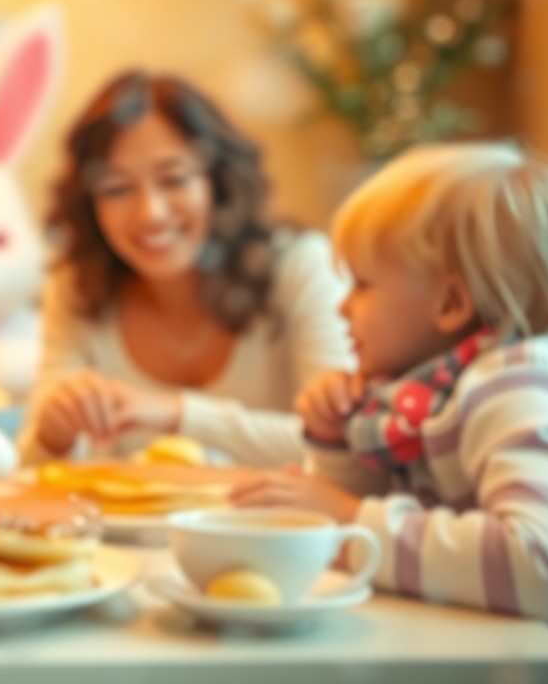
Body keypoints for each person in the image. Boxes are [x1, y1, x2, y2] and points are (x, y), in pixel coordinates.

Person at [231, 143, 548, 681]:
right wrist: (335, 445)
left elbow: (544, 569)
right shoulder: (435, 390)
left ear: (451, 304)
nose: (342, 307)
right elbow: (402, 517)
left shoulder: (521, 385)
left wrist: (350, 521)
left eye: (362, 284)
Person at [21, 70, 353, 467]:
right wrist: (54, 431)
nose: (151, 214)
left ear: (218, 180)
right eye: (116, 189)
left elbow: (346, 450)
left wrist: (179, 414)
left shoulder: (298, 265)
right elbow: (30, 469)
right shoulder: (76, 285)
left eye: (174, 179)